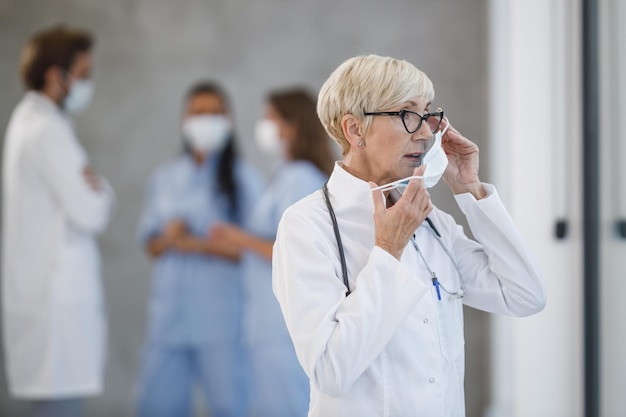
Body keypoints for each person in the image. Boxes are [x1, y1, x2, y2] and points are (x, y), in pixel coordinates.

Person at [271, 54, 546, 417]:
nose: (426, 132)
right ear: (355, 130)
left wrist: (471, 191)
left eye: (427, 113)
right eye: (407, 114)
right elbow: (330, 372)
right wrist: (387, 251)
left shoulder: (431, 222)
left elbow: (524, 295)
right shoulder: (307, 226)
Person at [1, 25, 114, 417]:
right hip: (55, 305)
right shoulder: (46, 131)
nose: (87, 85)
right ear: (55, 76)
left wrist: (95, 187)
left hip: (47, 301)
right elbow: (92, 211)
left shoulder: (29, 123)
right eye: (83, 75)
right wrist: (100, 188)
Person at [135, 81, 263, 417]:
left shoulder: (243, 180)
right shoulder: (165, 177)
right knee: (158, 406)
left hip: (219, 319)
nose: (206, 120)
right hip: (169, 315)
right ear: (184, 120)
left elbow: (254, 250)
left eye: (215, 113)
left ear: (230, 121)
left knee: (228, 406)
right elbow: (151, 242)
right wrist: (169, 237)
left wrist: (190, 242)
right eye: (198, 113)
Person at [211, 88, 334, 416]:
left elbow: (294, 252)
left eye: (270, 118)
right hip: (268, 321)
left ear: (292, 126)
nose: (263, 126)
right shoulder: (287, 176)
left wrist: (240, 238)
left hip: (281, 326)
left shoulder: (299, 178)